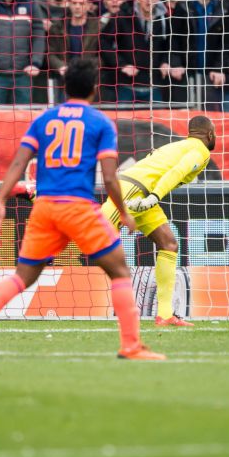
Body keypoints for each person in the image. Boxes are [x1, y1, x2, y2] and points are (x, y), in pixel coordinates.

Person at [0, 57, 164, 361]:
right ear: (95, 89)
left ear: (64, 87)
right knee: (119, 270)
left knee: (23, 276)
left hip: (44, 207)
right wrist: (122, 211)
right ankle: (131, 345)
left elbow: (18, 163)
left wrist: (0, 201)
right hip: (78, 207)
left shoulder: (44, 119)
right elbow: (110, 177)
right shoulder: (100, 123)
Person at [92, 116, 215, 326]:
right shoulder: (200, 151)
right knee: (90, 236)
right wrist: (155, 197)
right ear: (210, 134)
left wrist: (150, 197)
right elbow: (177, 172)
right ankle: (37, 195)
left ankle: (165, 313)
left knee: (169, 244)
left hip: (141, 193)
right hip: (132, 192)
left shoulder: (178, 145)